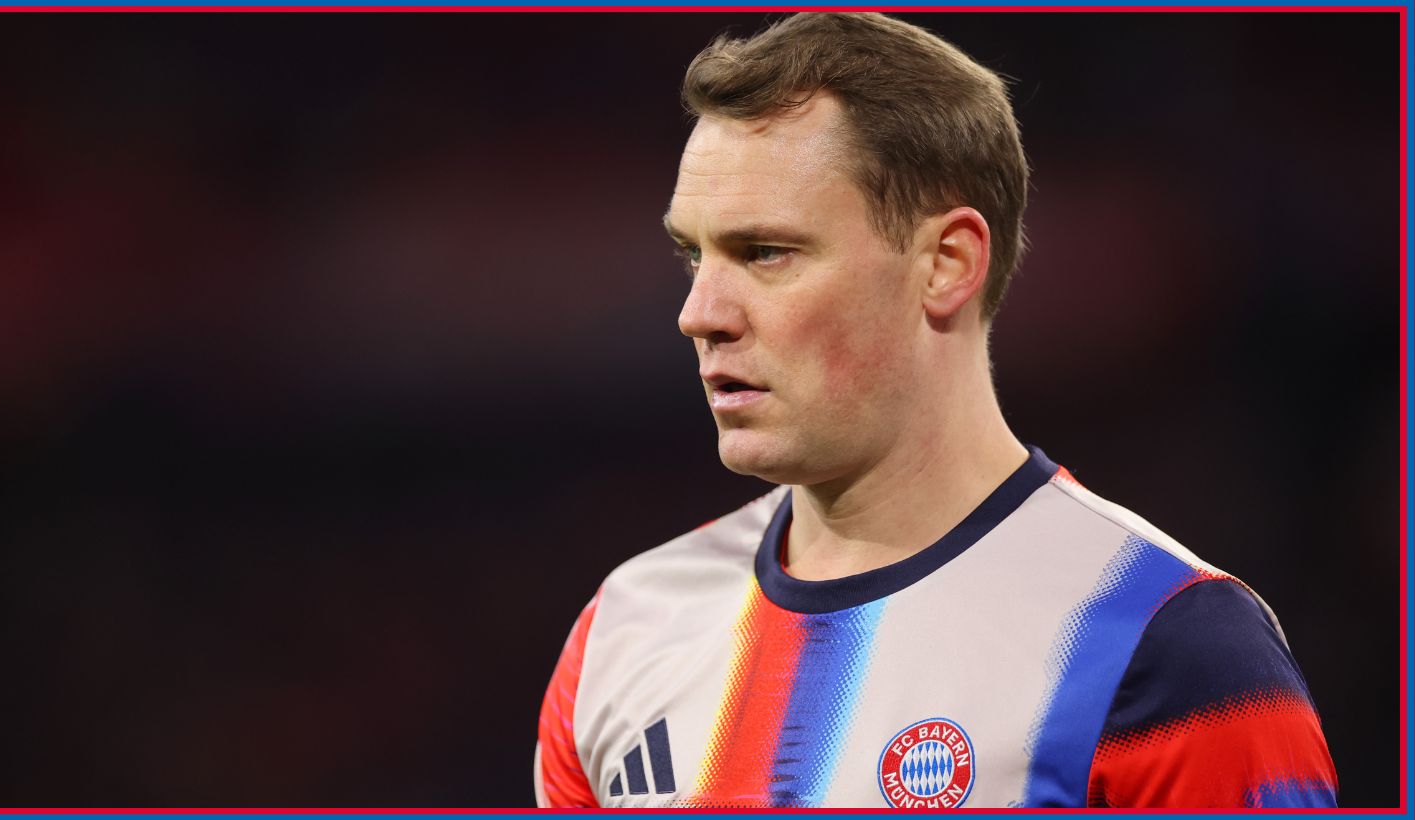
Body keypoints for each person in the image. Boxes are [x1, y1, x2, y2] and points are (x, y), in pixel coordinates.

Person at [534, 12, 1337, 808]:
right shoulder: (625, 631)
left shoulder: (1164, 643)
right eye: (693, 254)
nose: (699, 313)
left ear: (946, 264)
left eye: (765, 252)